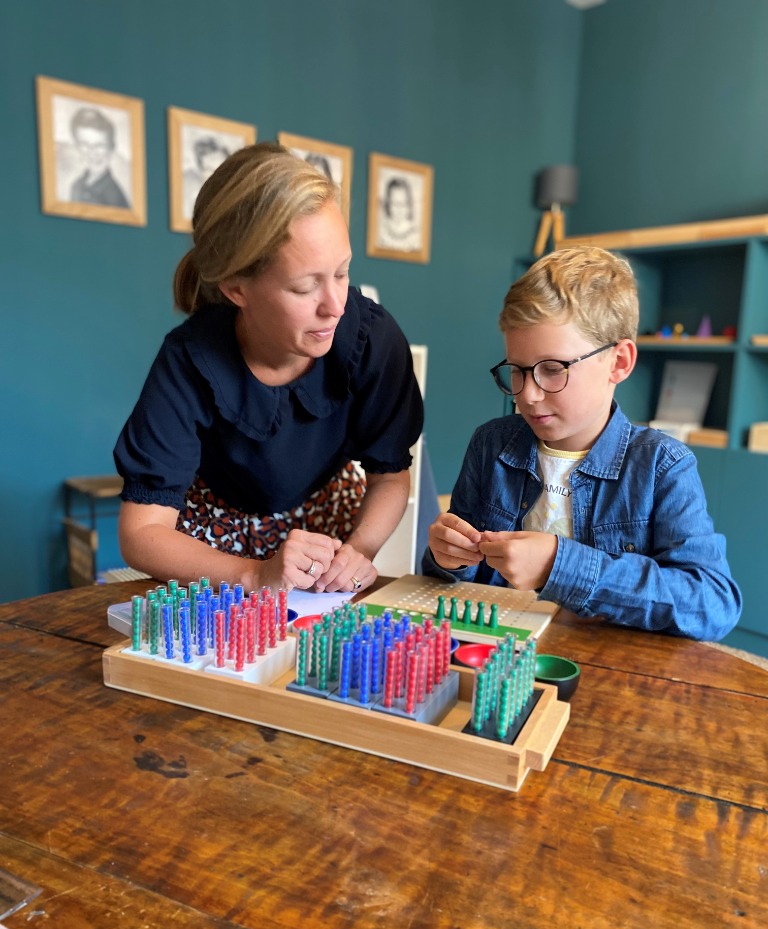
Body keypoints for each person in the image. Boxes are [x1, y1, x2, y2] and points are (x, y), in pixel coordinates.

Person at [114, 141, 423, 595]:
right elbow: (141, 533)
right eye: (304, 288)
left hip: (326, 533)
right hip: (211, 550)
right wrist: (254, 574)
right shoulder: (189, 361)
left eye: (342, 272)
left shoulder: (372, 339)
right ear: (237, 290)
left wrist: (360, 549)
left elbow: (390, 475)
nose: (335, 307)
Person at [423, 246, 741, 641]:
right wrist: (447, 558)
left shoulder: (662, 465)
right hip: (497, 658)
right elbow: (449, 584)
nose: (528, 395)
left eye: (553, 370)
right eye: (517, 371)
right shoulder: (492, 445)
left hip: (611, 673)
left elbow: (712, 603)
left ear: (619, 362)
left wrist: (560, 565)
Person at [69, 107, 129, 208]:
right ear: (77, 146)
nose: (92, 153)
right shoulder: (77, 186)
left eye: (99, 146)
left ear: (111, 147)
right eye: (85, 145)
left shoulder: (113, 195)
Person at [182, 135, 231, 221]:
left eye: (221, 170)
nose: (217, 177)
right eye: (209, 170)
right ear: (199, 169)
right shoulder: (192, 194)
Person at [377, 176, 420, 251]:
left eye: (403, 203)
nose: (399, 208)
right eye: (395, 203)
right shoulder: (381, 232)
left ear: (409, 204)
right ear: (388, 204)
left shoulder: (416, 236)